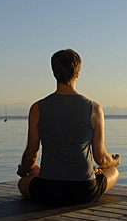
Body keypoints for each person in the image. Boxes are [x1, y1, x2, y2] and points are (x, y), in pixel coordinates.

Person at [17, 49, 120, 205]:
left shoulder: (37, 108)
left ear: (54, 73)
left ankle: (36, 174)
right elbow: (101, 158)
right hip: (84, 191)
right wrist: (114, 161)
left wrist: (23, 170)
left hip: (48, 191)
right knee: (113, 172)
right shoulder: (94, 109)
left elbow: (31, 154)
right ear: (78, 73)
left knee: (23, 182)